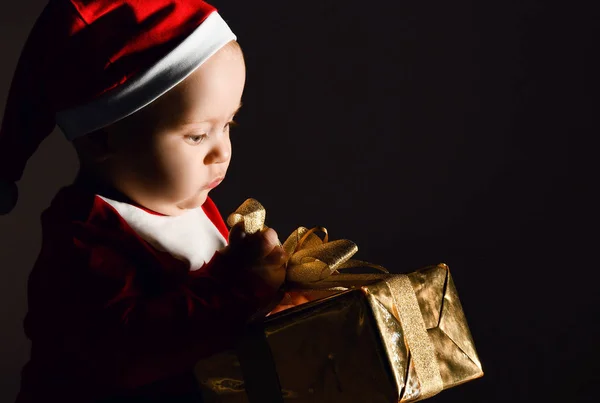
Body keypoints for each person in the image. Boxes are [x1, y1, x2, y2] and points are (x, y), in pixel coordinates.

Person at [0, 0, 308, 401]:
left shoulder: (190, 205)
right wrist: (242, 287)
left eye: (227, 125)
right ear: (102, 138)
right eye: (197, 135)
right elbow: (131, 350)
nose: (222, 152)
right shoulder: (83, 242)